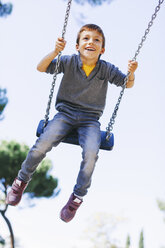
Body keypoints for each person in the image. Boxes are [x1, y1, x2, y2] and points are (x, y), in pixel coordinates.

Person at [6, 24, 138, 222]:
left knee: (92, 154)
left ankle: (76, 197)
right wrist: (55, 52)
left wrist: (132, 72)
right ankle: (21, 181)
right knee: (41, 145)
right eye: (85, 38)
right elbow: (41, 67)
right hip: (65, 114)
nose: (90, 42)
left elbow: (126, 83)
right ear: (77, 46)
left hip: (90, 120)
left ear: (102, 49)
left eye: (96, 40)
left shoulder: (106, 69)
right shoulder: (68, 61)